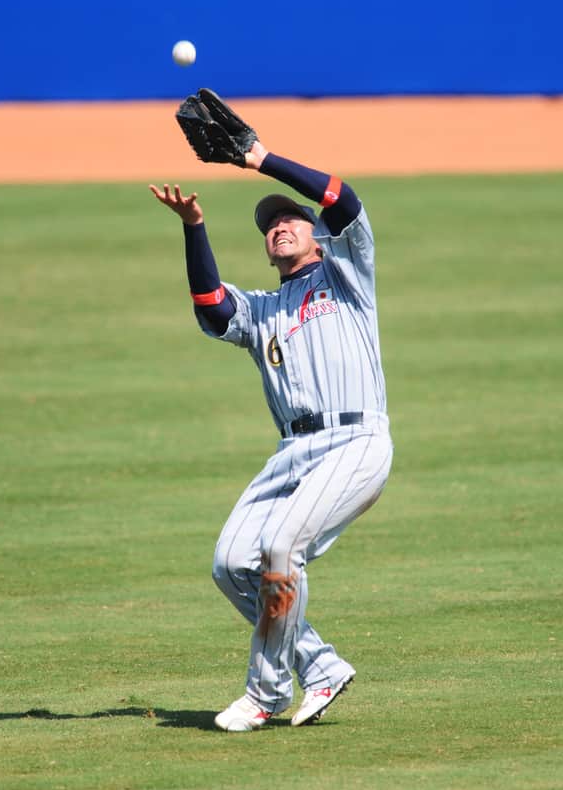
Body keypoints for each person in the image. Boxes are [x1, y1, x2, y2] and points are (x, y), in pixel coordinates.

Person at [149, 134, 392, 732]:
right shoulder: (262, 312)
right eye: (270, 224)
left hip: (356, 442)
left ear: (317, 236)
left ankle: (265, 693)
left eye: (291, 219)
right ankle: (322, 666)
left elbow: (341, 195)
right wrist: (194, 227)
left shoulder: (347, 277)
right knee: (232, 563)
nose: (279, 226)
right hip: (294, 453)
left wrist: (259, 161)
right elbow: (211, 306)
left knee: (282, 549)